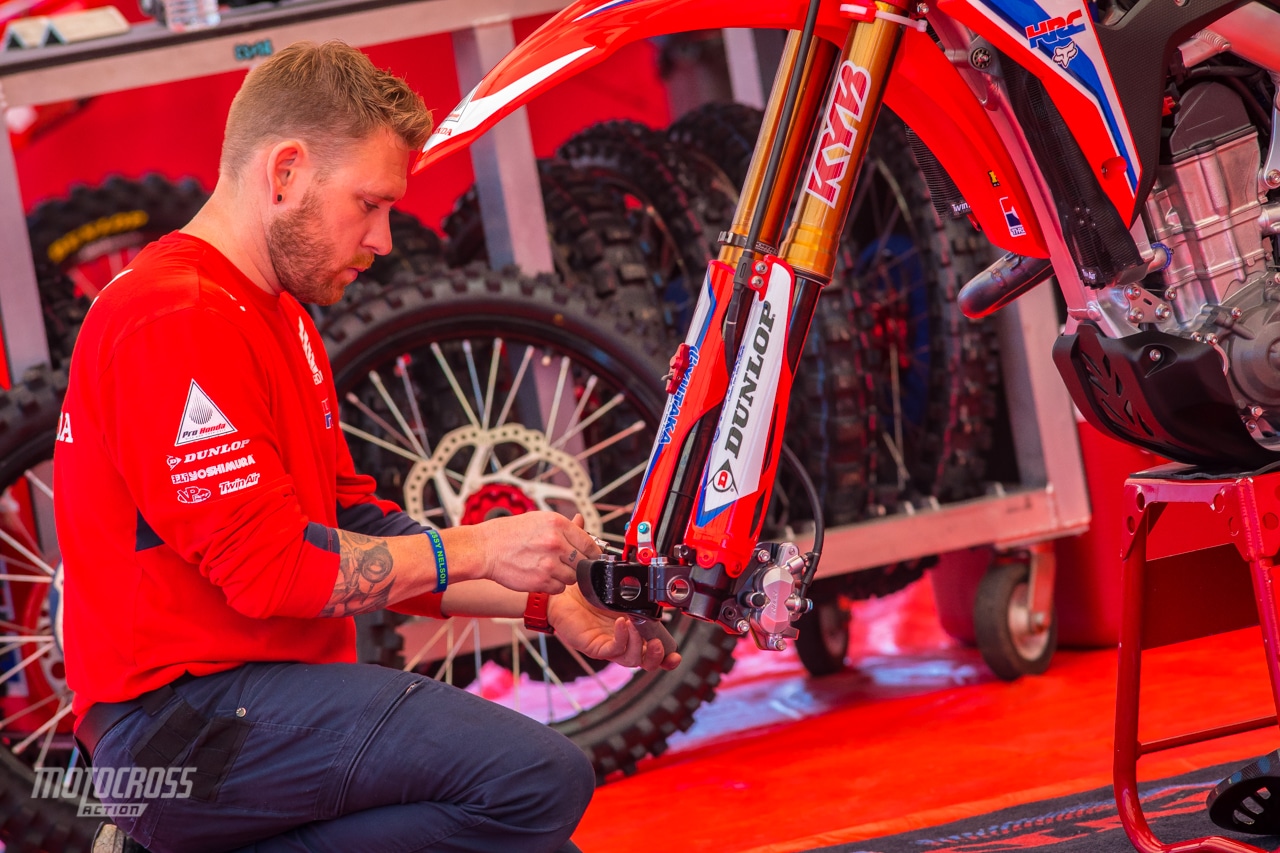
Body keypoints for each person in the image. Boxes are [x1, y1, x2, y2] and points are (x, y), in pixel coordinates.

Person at [53, 40, 680, 853]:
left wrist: (548, 600)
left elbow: (361, 537)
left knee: (533, 842)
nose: (384, 238)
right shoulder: (179, 316)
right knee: (534, 780)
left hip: (243, 711)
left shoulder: (278, 315)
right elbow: (272, 570)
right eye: (370, 203)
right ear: (284, 173)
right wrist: (485, 541)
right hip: (181, 733)